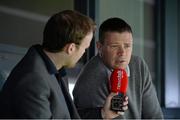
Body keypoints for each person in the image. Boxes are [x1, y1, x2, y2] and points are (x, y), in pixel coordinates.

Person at [0, 10, 124, 119]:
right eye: (84, 48)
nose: (84, 52)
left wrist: (103, 114)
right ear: (70, 48)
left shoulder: (55, 69)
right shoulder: (33, 80)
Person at [73, 17, 164, 119]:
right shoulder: (91, 78)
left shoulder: (138, 65)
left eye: (127, 46)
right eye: (114, 46)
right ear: (99, 47)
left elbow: (154, 116)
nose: (122, 53)